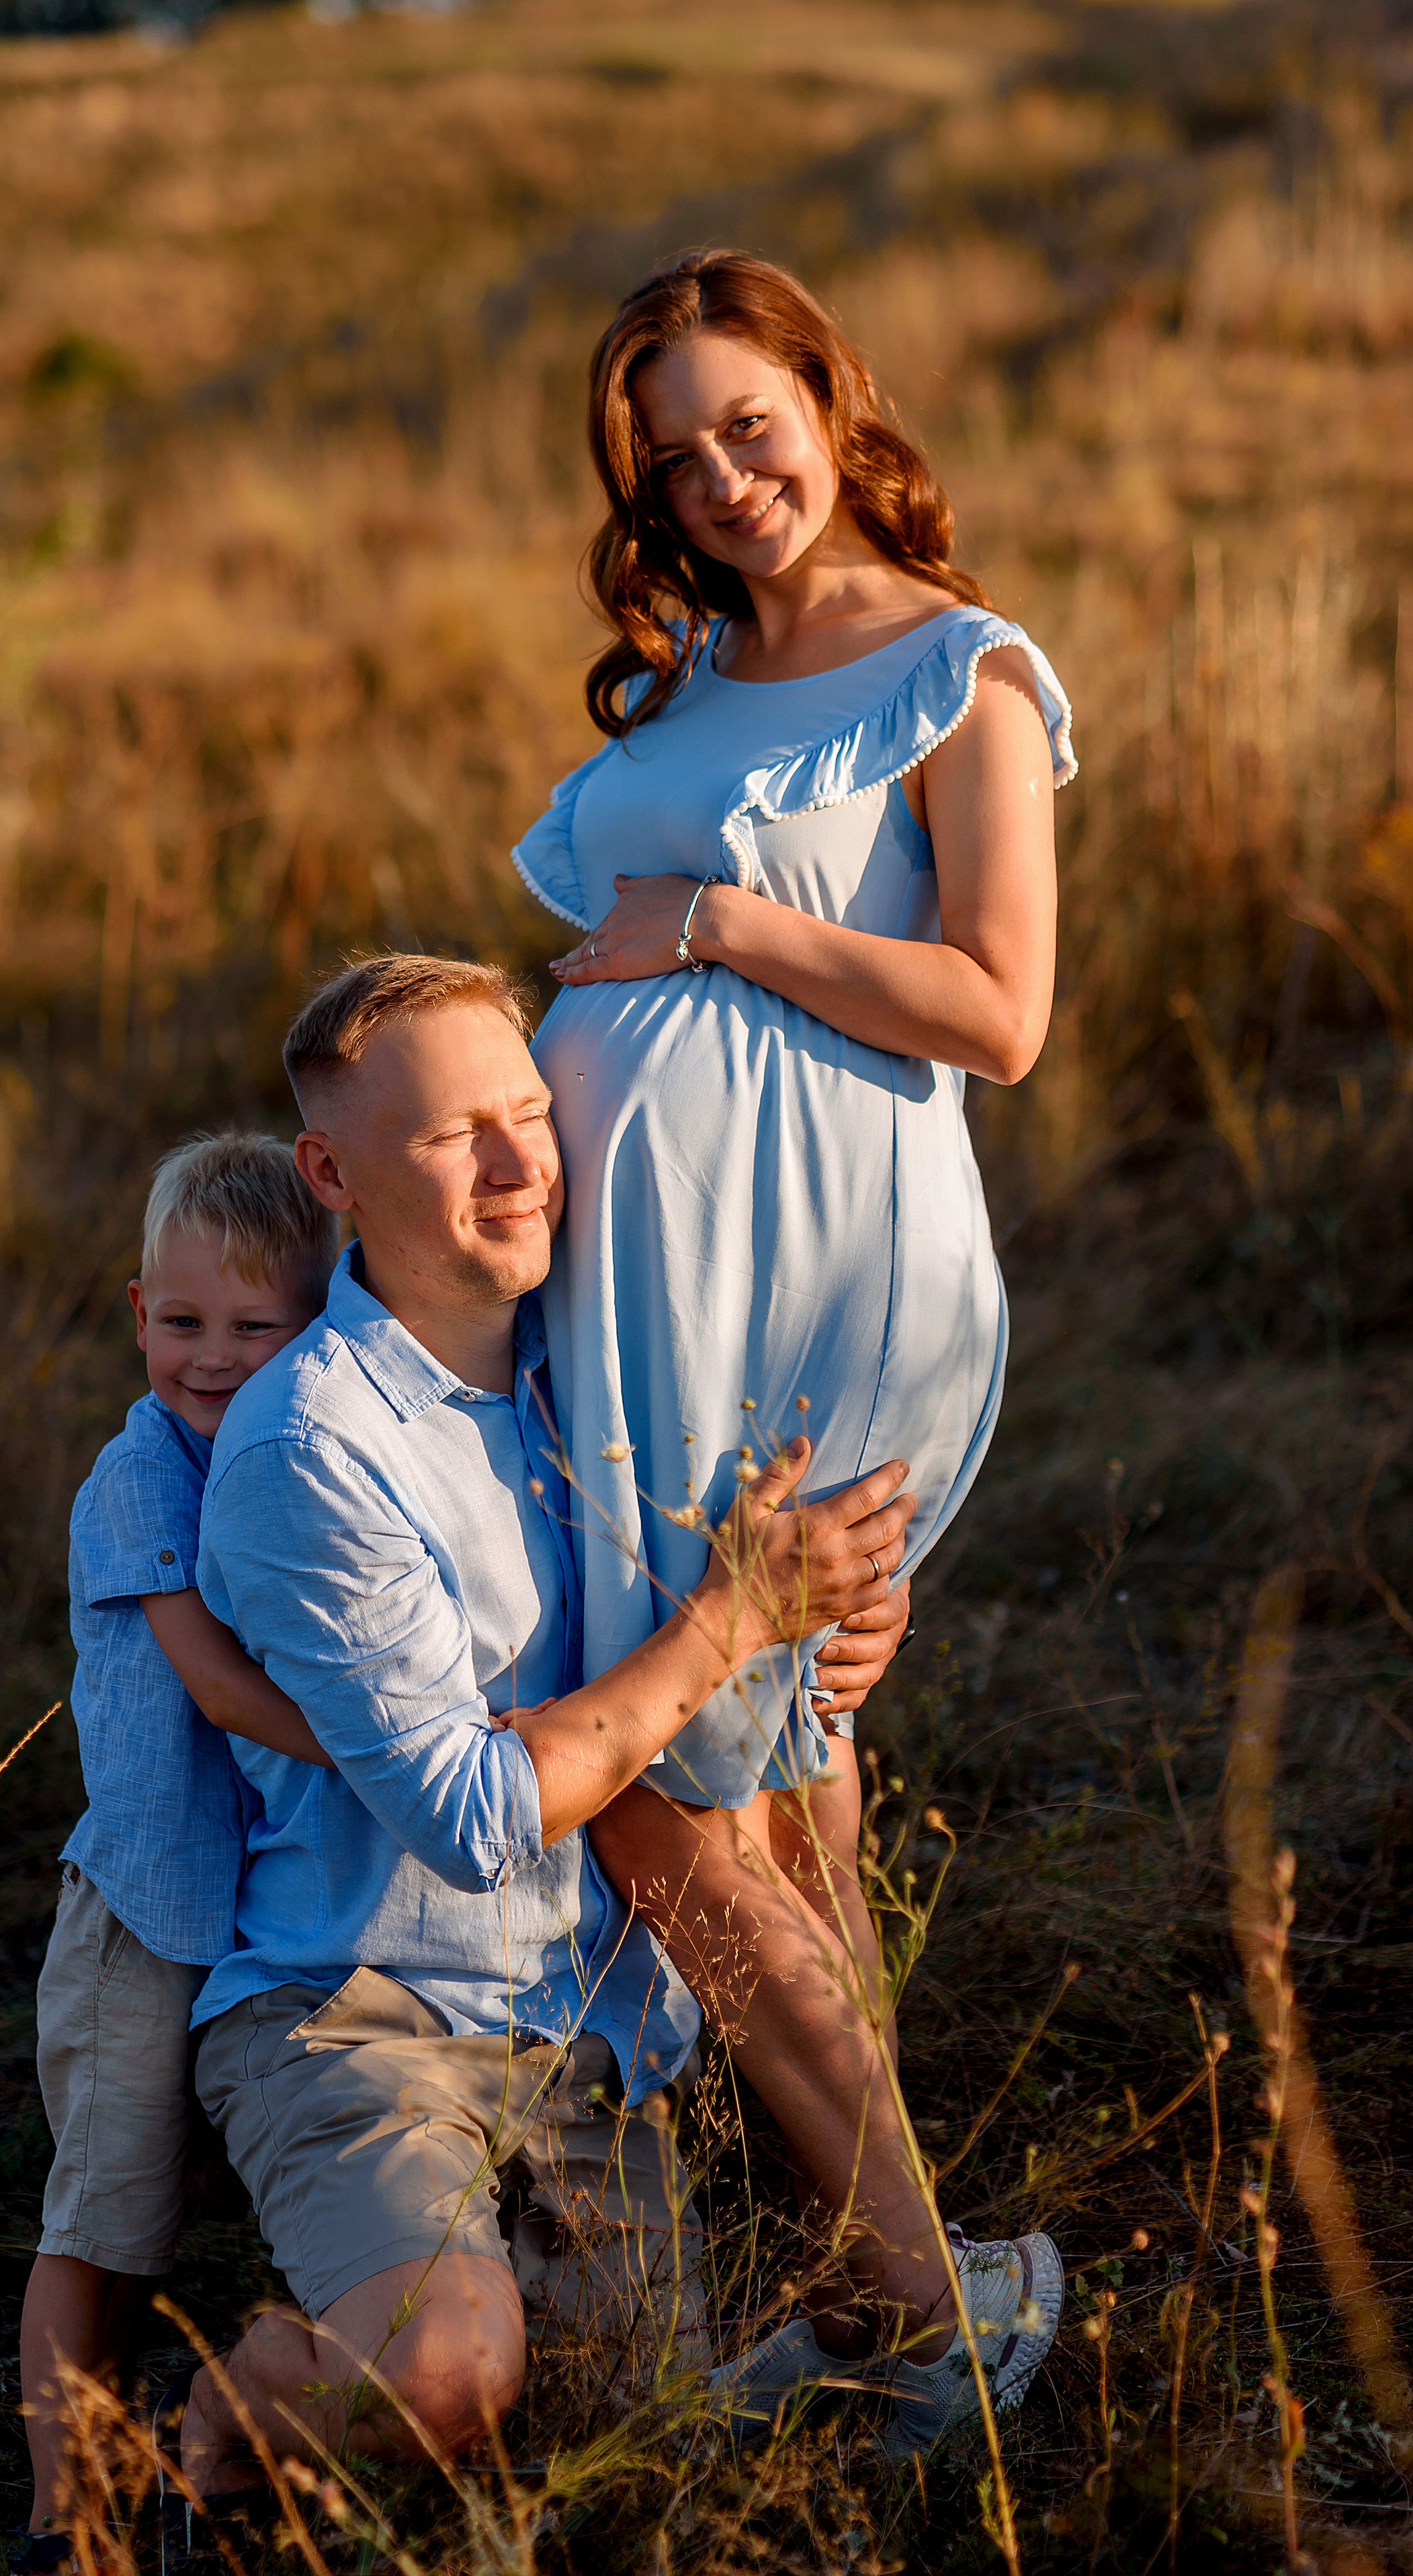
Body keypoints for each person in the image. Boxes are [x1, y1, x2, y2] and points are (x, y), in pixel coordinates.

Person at [510, 249, 1072, 2434]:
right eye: (676, 457)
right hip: (633, 1290)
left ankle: (926, 2301)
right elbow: (605, 956)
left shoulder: (959, 672)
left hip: (821, 1282)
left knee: (662, 1790)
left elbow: (1001, 1012)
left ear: (832, 400)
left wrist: (724, 922)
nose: (725, 478)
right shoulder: (683, 682)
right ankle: (874, 2276)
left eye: (752, 424)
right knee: (778, 1779)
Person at [167, 954, 917, 2511]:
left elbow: (756, 1605)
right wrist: (736, 1617)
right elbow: (475, 1818)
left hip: (587, 2037)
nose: (522, 1166)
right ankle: (218, 2419)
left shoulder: (605, 1368)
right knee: (446, 2378)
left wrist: (846, 1608)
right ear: (332, 1176)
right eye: (457, 1137)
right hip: (360, 2013)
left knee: (635, 2456)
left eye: (529, 1113)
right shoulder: (309, 1446)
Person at [13, 1135, 337, 2576]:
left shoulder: (302, 1458)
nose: (211, 1358)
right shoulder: (140, 1477)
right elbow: (214, 1684)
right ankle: (58, 2515)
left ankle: (206, 2446)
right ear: (139, 1312)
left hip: (259, 1913)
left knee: (209, 2219)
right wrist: (391, 1750)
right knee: (103, 2222)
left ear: (315, 1325)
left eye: (253, 1326)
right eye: (184, 1321)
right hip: (143, 1916)